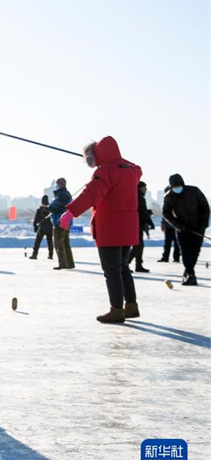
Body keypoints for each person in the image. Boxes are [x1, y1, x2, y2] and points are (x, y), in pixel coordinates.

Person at [59, 137, 141, 323]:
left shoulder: (105, 172)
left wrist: (71, 212)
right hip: (128, 226)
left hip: (110, 227)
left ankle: (117, 310)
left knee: (112, 271)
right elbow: (132, 168)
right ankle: (131, 306)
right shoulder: (130, 170)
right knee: (123, 268)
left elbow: (91, 194)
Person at [162, 174, 209, 286]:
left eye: (179, 185)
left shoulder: (194, 191)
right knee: (186, 252)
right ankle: (191, 274)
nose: (177, 188)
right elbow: (166, 213)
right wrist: (179, 226)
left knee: (194, 252)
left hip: (198, 228)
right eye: (174, 186)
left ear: (183, 184)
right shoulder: (169, 197)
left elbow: (205, 208)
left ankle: (187, 273)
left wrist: (203, 225)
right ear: (171, 186)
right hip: (183, 229)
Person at [127, 181, 155, 272]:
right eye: (144, 187)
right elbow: (142, 212)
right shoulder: (139, 197)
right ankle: (126, 264)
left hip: (137, 224)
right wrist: (150, 222)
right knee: (138, 245)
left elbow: (140, 210)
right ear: (140, 188)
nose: (146, 189)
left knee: (140, 245)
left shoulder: (136, 196)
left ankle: (138, 265)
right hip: (137, 224)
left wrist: (147, 212)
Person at [49, 178, 75, 269]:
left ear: (61, 184)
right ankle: (69, 263)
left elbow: (60, 208)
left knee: (58, 243)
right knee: (65, 243)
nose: (56, 186)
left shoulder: (62, 194)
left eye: (57, 184)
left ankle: (63, 263)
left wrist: (49, 208)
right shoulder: (63, 194)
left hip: (60, 222)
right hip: (65, 222)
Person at [158, 186, 181, 263]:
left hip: (176, 227)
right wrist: (163, 224)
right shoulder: (166, 201)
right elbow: (164, 215)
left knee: (176, 244)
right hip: (169, 227)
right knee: (168, 244)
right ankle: (166, 257)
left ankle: (176, 258)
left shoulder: (177, 201)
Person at [29, 195, 53, 260]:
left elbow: (36, 220)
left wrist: (35, 227)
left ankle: (34, 254)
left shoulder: (39, 209)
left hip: (42, 229)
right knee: (50, 242)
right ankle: (51, 255)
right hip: (50, 229)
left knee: (37, 242)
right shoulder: (51, 209)